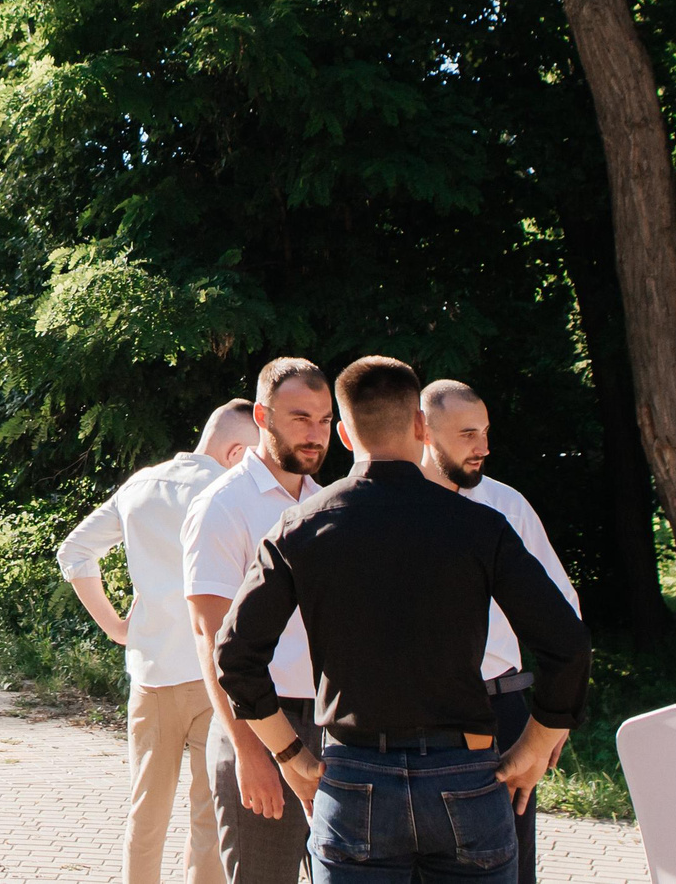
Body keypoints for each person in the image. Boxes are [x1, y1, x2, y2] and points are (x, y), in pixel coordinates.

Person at [217, 355, 591, 884]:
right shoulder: (482, 526)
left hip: (354, 775)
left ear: (345, 435)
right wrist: (533, 747)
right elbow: (568, 644)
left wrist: (291, 755)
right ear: (420, 424)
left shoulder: (299, 529)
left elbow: (235, 656)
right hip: (464, 771)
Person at [60, 401, 260, 884]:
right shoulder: (233, 494)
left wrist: (114, 626)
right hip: (216, 674)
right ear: (236, 451)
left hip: (151, 674)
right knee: (210, 816)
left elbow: (75, 551)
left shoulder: (141, 484)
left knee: (146, 810)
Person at [183, 358, 336, 884]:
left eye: (324, 419)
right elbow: (211, 639)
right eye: (301, 418)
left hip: (333, 726)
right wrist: (250, 752)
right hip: (261, 726)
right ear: (264, 417)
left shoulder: (325, 503)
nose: (316, 435)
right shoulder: (223, 505)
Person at [420, 380, 580, 884]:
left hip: (500, 710)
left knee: (508, 868)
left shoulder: (507, 505)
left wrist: (555, 721)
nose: (483, 448)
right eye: (468, 433)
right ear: (424, 430)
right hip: (412, 715)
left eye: (485, 432)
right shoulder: (387, 507)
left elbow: (564, 614)